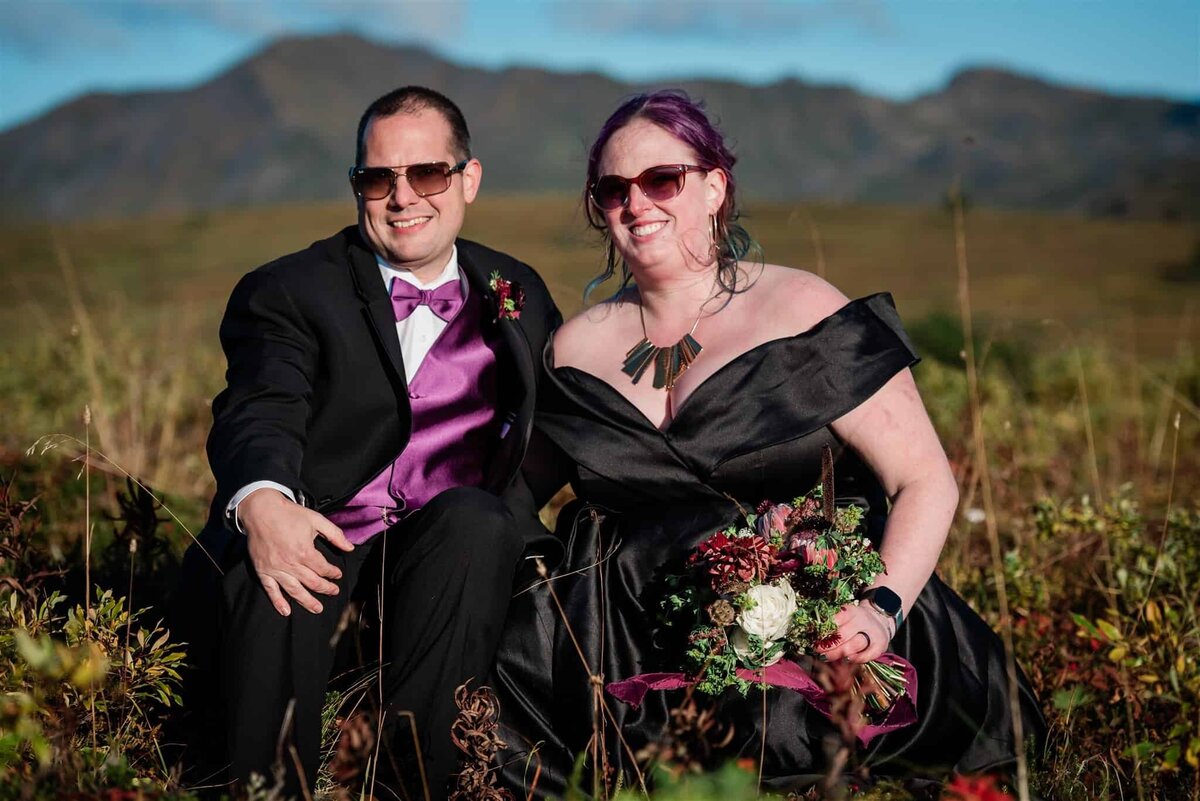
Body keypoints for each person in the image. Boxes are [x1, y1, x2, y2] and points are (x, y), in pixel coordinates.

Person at [490, 90, 1045, 796]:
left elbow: (925, 481)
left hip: (816, 623)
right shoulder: (572, 349)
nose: (636, 203)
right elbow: (512, 497)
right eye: (613, 189)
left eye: (662, 179)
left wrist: (879, 609)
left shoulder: (804, 309)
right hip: (625, 647)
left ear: (715, 187)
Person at [172, 86, 561, 800]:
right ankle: (268, 788)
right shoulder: (289, 289)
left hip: (446, 557)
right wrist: (262, 499)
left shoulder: (517, 289)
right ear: (358, 187)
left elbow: (557, 420)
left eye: (428, 173)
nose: (402, 196)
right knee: (280, 563)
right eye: (379, 178)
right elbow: (261, 405)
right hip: (322, 537)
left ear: (469, 179)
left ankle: (414, 785)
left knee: (478, 521)